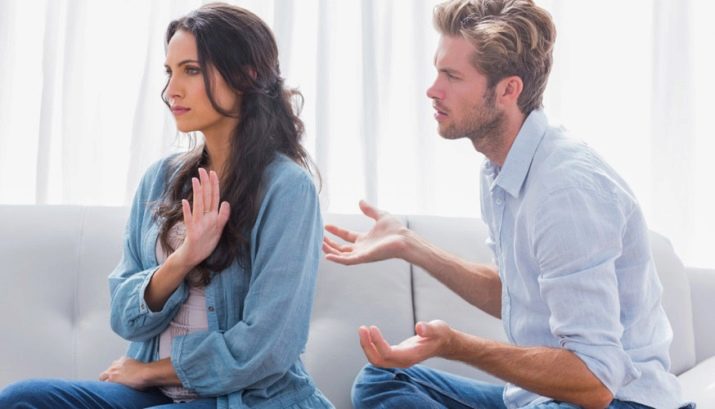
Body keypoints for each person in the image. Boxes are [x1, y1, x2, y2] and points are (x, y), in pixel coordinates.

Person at [322, 1, 692, 408]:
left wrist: (457, 345)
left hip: (618, 400)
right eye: (437, 71)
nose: (433, 90)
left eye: (452, 76)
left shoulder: (566, 190)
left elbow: (596, 382)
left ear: (508, 90)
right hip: (540, 398)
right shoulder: (502, 170)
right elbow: (515, 293)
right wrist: (410, 245)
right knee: (382, 380)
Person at [0, 3, 333, 409]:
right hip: (159, 396)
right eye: (169, 72)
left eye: (190, 70)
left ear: (246, 75)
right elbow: (123, 314)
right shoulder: (160, 179)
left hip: (246, 399)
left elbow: (268, 345)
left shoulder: (288, 190)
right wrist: (184, 258)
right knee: (21, 400)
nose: (171, 90)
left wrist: (151, 371)